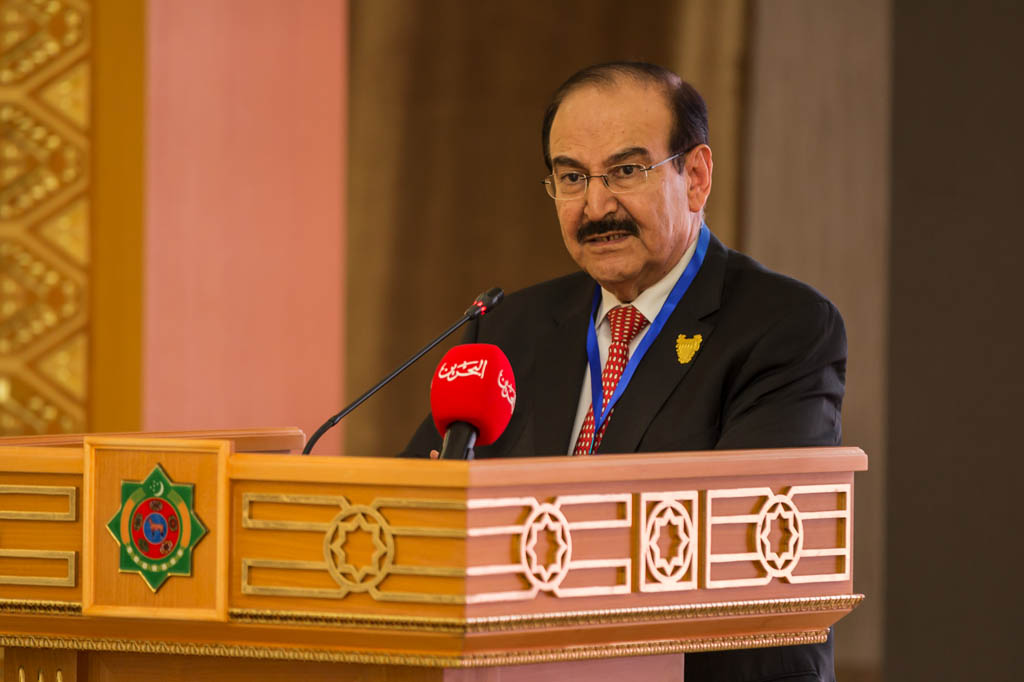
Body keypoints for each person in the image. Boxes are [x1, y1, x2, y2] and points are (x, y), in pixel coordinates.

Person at [403, 62, 846, 682]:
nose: (595, 205)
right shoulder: (510, 328)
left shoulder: (784, 327)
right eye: (571, 177)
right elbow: (411, 502)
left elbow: (750, 544)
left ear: (695, 177)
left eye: (625, 172)